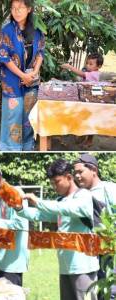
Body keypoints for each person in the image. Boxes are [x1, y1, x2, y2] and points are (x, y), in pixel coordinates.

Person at [17, 159, 99, 300]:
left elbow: (68, 209)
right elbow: (40, 214)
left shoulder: (83, 196)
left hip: (83, 268)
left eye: (57, 182)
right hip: (65, 267)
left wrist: (38, 201)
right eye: (52, 183)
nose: (54, 186)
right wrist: (19, 209)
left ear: (69, 177)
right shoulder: (61, 201)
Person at [0, 0, 45, 151]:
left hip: (31, 80)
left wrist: (35, 72)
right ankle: (11, 148)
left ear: (29, 9)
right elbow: (3, 57)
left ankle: (27, 145)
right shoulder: (7, 31)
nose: (16, 11)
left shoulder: (37, 31)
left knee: (28, 115)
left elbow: (40, 52)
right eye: (13, 8)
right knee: (14, 115)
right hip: (12, 81)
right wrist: (22, 75)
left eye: (20, 8)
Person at [73, 153, 116, 300]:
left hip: (110, 253)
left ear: (94, 170)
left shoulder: (108, 189)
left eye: (80, 172)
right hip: (91, 254)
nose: (77, 176)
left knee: (111, 291)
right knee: (99, 292)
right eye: (75, 173)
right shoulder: (79, 195)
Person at [61, 54, 104, 147]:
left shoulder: (94, 74)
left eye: (91, 64)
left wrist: (69, 67)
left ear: (99, 66)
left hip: (92, 102)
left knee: (90, 120)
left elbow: (81, 74)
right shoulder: (91, 73)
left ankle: (88, 140)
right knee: (85, 119)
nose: (87, 65)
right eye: (87, 63)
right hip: (87, 101)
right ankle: (83, 135)